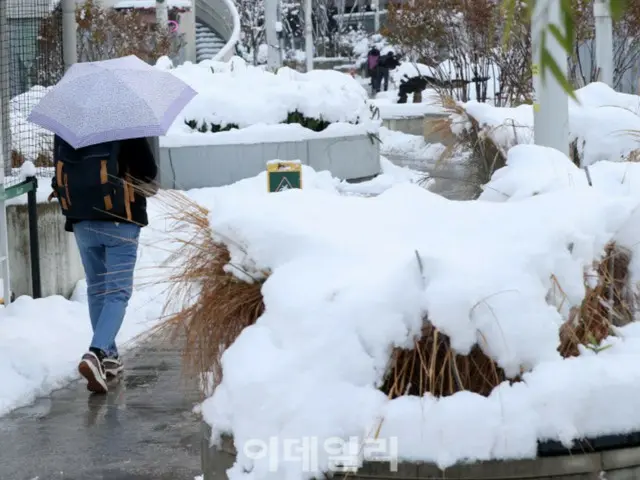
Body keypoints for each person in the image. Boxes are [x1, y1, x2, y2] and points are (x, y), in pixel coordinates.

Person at [50, 135, 158, 393]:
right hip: (120, 218)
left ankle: (109, 356)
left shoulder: (68, 128)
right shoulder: (125, 127)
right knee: (118, 292)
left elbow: (59, 168)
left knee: (97, 288)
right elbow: (148, 171)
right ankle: (96, 353)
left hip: (82, 220)